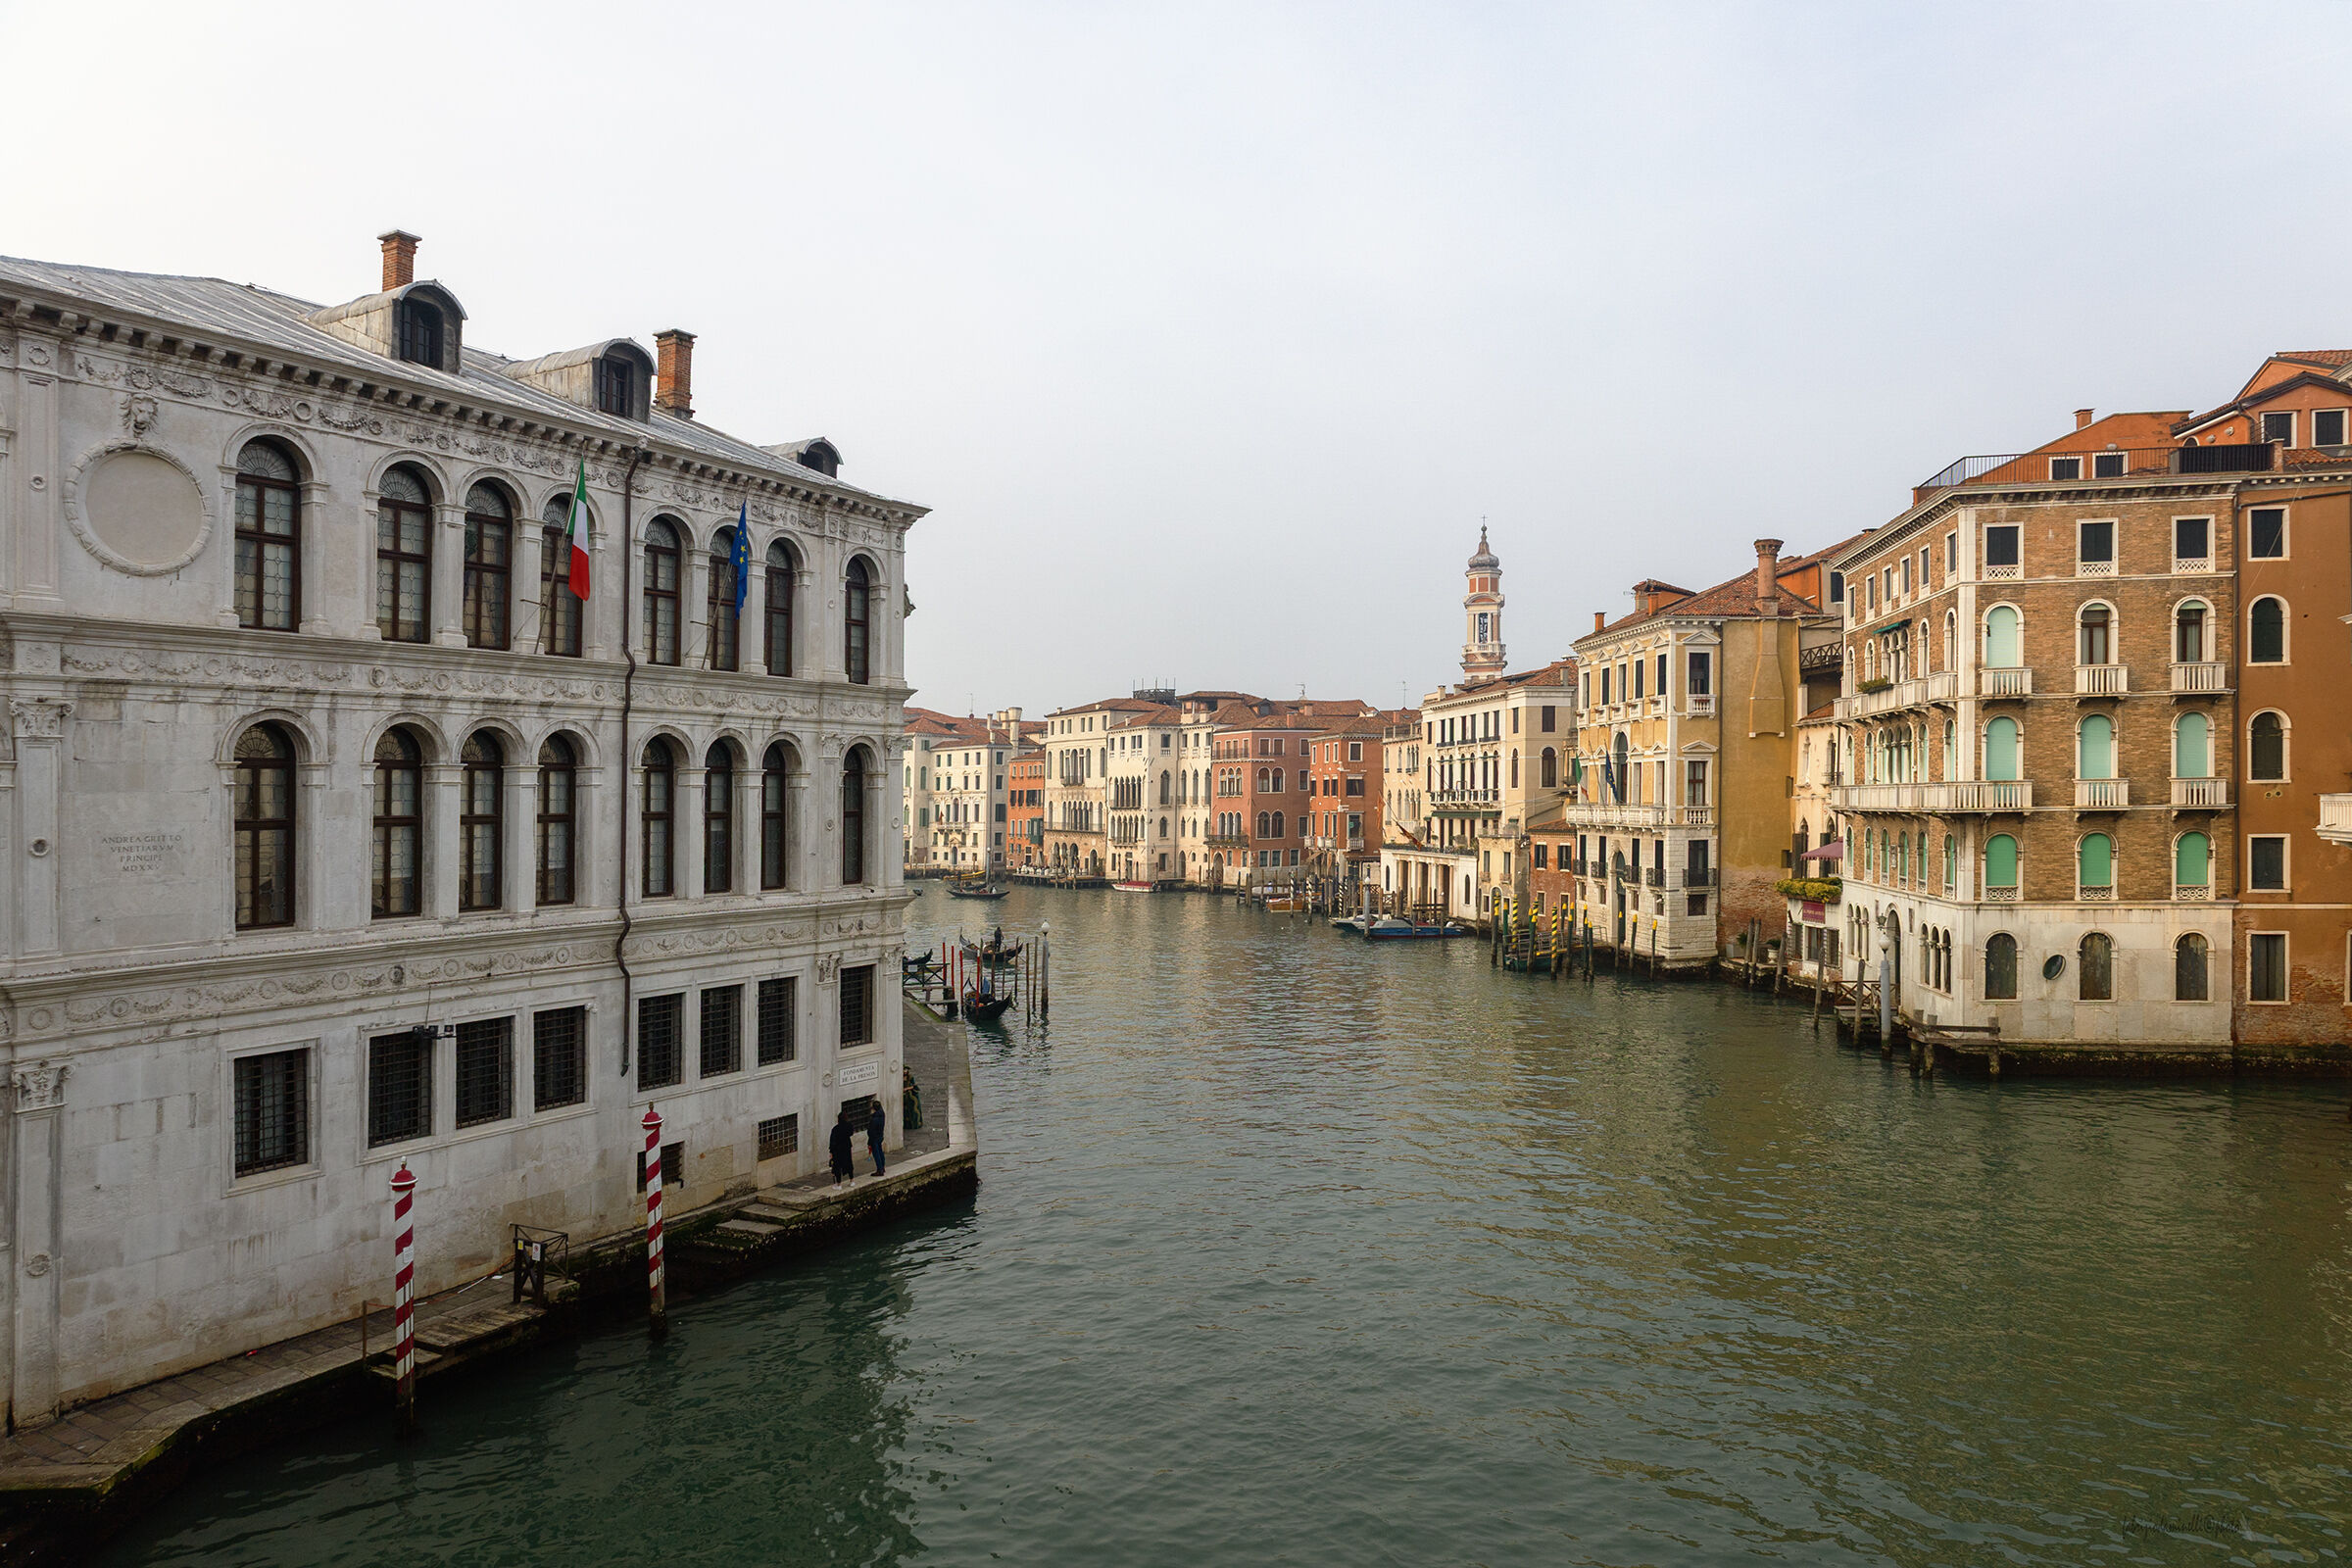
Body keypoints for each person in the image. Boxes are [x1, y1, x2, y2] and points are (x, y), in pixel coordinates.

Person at [828, 1108, 855, 1186]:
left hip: (838, 1149)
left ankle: (839, 1184)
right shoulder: (849, 1126)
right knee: (849, 1163)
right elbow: (851, 1133)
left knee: (837, 1166)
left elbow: (832, 1141)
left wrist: (831, 1151)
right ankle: (852, 1180)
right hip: (847, 1147)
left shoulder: (835, 1129)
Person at [866, 1100, 887, 1176]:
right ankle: (882, 1167)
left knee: (876, 1154)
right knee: (880, 1152)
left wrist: (869, 1142)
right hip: (880, 1135)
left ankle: (880, 1169)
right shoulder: (882, 1114)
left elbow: (871, 1131)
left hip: (874, 1138)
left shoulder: (874, 1119)